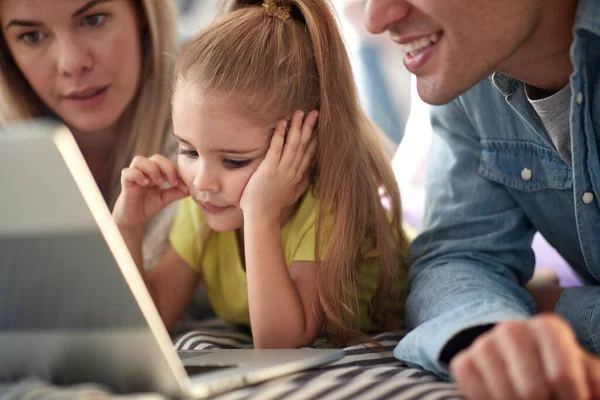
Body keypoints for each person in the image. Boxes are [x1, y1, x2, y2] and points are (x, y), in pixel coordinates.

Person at [111, 0, 408, 348]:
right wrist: (126, 228)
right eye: (189, 151)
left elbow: (279, 343)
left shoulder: (325, 210)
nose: (203, 181)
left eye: (234, 161)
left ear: (303, 146)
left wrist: (261, 213)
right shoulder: (204, 206)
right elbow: (151, 318)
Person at [362, 0, 600, 398]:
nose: (375, 18)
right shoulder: (470, 79)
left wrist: (555, 306)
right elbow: (459, 255)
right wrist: (496, 334)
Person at [0, 0, 178, 267]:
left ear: (142, 13)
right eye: (32, 36)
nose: (71, 63)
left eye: (92, 20)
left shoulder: (224, 113)